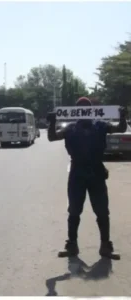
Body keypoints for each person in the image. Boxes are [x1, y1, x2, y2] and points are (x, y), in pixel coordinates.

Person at [47, 97, 127, 259]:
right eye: (80, 109)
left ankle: (105, 246)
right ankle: (72, 246)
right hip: (77, 172)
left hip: (96, 171)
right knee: (74, 211)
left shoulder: (101, 126)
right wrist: (52, 122)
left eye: (86, 108)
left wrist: (123, 115)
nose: (84, 112)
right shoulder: (70, 128)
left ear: (91, 110)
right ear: (76, 112)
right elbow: (53, 137)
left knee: (102, 211)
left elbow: (121, 128)